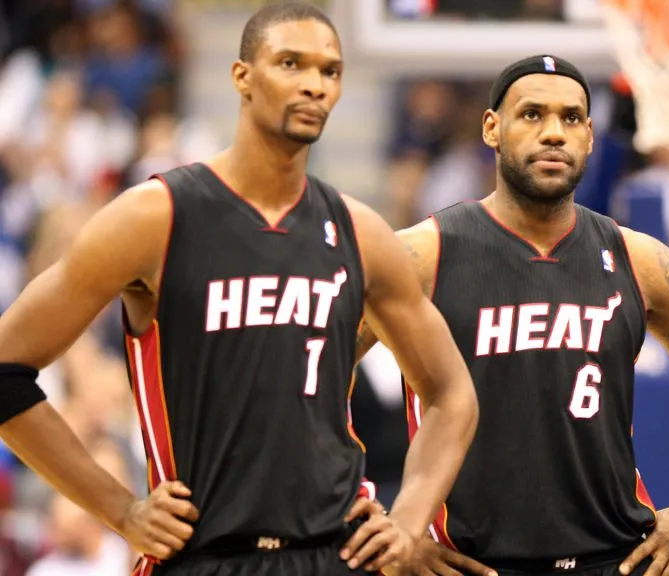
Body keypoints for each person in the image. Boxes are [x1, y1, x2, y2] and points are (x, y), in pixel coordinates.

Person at [0, 3, 479, 575]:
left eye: (329, 71)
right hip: (204, 555)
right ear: (242, 77)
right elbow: (6, 369)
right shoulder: (154, 218)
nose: (313, 84)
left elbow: (452, 393)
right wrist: (121, 509)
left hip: (333, 553)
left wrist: (407, 520)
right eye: (291, 63)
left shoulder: (361, 233)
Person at [355, 55, 669, 576]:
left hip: (616, 559)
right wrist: (385, 524)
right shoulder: (422, 255)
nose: (554, 133)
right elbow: (310, 380)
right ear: (492, 128)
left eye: (571, 118)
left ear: (590, 136)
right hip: (468, 562)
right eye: (532, 114)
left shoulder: (638, 260)